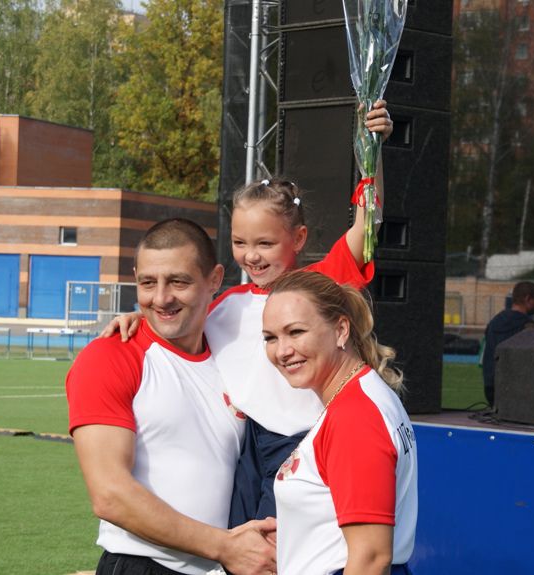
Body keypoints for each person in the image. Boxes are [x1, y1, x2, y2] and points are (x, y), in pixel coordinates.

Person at [102, 102, 393, 528]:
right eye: (240, 243)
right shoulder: (225, 304)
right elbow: (173, 319)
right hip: (246, 448)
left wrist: (372, 149)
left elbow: (368, 224)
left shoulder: (320, 283)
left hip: (305, 441)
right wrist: (137, 321)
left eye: (265, 244)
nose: (251, 256)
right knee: (239, 544)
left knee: (278, 549)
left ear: (298, 238)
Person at [66, 219, 276, 575]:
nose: (161, 298)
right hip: (143, 566)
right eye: (148, 283)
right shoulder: (109, 356)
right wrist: (224, 546)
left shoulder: (231, 354)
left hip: (219, 568)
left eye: (178, 282)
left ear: (214, 279)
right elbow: (110, 495)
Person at [262, 270, 417, 575]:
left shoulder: (354, 415)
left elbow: (371, 558)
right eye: (270, 337)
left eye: (296, 332)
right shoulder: (360, 394)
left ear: (341, 330)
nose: (282, 351)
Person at [480, 281, 534, 406]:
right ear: (528, 298)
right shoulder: (527, 326)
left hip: (490, 387)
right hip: (515, 390)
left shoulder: (494, 322)